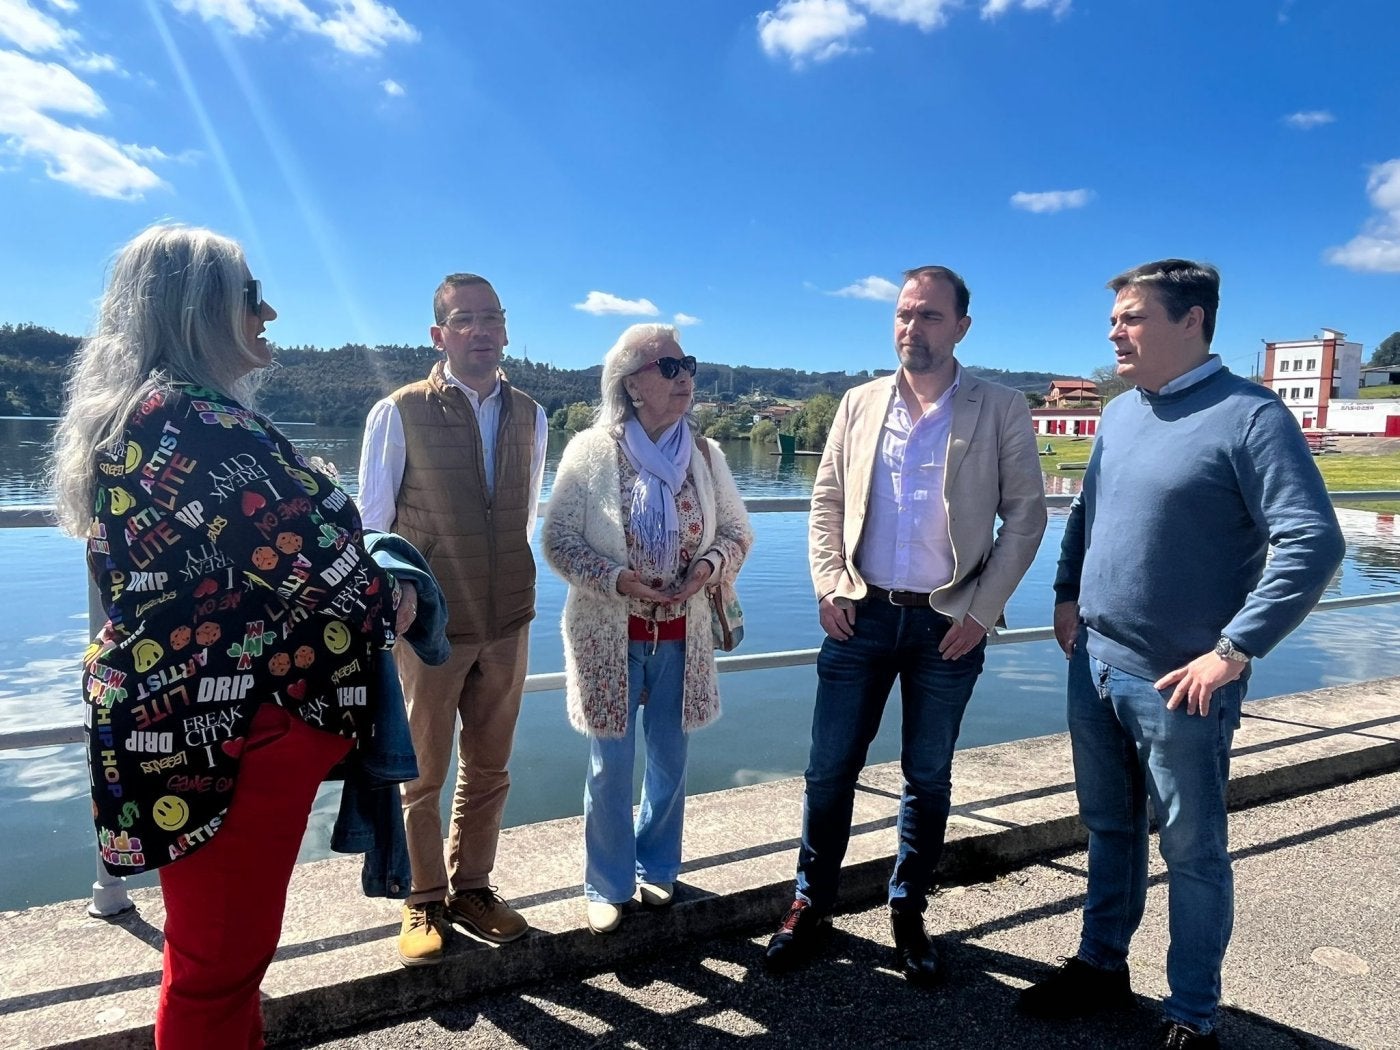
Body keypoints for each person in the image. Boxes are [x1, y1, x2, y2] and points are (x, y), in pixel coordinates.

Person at [51, 224, 411, 1049]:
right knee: (220, 963)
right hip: (230, 736)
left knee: (213, 956)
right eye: (253, 296)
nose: (271, 310)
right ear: (202, 305)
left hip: (183, 725)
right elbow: (330, 576)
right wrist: (400, 589)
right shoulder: (196, 424)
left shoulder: (143, 414)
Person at [1020, 260, 1345, 1049]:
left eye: (1131, 317)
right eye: (1115, 319)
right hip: (1093, 660)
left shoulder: (1251, 416)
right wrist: (1067, 594)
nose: (1114, 331)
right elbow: (1087, 516)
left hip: (1180, 684)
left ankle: (1193, 1012)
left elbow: (1314, 541)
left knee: (1192, 849)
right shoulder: (1123, 413)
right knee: (1107, 827)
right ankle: (1102, 965)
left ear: (1192, 320)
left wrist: (1234, 649)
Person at [764, 265, 1047, 984]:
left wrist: (982, 612)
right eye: (902, 314)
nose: (910, 329)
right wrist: (829, 581)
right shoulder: (859, 403)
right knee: (829, 770)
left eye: (927, 316)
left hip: (947, 624)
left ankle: (907, 909)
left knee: (928, 776)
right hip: (859, 614)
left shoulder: (1001, 407)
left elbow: (1026, 517)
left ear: (961, 326)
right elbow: (825, 498)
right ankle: (810, 903)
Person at [357, 272, 547, 965]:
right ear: (439, 335)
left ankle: (473, 887)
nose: (481, 331)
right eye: (464, 320)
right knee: (422, 771)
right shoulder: (398, 412)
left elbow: (523, 517)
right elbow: (373, 531)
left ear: (505, 330)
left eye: (491, 318)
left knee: (490, 767)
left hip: (508, 619)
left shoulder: (532, 413)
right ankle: (422, 899)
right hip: (430, 626)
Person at [542, 324, 752, 934]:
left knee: (670, 756)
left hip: (683, 636)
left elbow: (738, 534)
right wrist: (615, 578)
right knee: (610, 762)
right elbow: (558, 541)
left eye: (689, 363)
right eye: (669, 366)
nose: (685, 376)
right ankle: (606, 881)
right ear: (632, 383)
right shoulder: (589, 452)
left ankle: (657, 867)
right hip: (610, 633)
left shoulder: (706, 456)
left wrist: (708, 568)